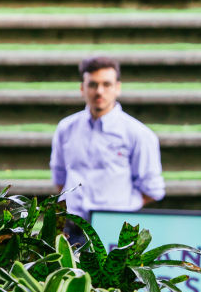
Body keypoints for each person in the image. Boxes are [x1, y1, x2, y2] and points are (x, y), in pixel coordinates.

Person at [51, 56, 166, 230]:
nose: (99, 91)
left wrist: (121, 209)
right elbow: (60, 178)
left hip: (115, 227)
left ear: (117, 88)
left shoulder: (138, 133)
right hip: (72, 227)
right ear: (82, 88)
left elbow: (152, 189)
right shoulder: (65, 128)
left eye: (106, 84)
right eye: (92, 84)